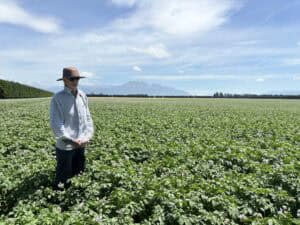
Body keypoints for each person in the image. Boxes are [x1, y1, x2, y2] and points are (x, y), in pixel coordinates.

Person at [50, 66, 94, 190]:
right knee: (63, 177)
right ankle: (58, 202)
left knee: (79, 174)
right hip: (66, 146)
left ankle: (74, 201)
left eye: (77, 79)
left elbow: (88, 119)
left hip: (81, 144)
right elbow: (56, 123)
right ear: (64, 80)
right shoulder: (58, 98)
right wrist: (70, 140)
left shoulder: (82, 96)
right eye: (72, 79)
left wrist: (88, 137)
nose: (75, 81)